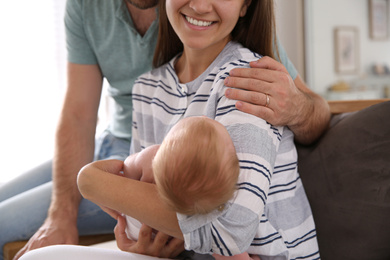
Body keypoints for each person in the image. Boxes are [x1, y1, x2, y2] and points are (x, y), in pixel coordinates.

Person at [1, 0, 330, 259]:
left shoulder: (247, 82)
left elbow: (231, 230)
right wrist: (138, 235)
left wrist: (92, 182)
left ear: (246, 6)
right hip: (116, 151)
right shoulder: (146, 89)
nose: (200, 6)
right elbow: (79, 116)